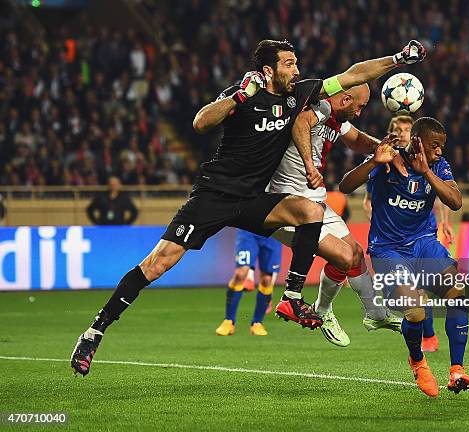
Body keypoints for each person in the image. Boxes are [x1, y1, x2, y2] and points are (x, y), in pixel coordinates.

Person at [70, 38, 427, 376]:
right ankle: (93, 334)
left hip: (253, 199)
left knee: (310, 211)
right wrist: (240, 96)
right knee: (157, 264)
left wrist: (398, 59)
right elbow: (200, 122)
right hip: (214, 195)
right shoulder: (243, 94)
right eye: (289, 64)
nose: (296, 69)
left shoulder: (300, 95)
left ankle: (291, 296)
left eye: (296, 62)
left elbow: (354, 76)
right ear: (269, 70)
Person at [339, 117, 469, 397]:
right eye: (435, 146)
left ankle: (457, 369)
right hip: (388, 249)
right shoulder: (387, 160)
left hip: (424, 244)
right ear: (419, 142)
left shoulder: (438, 166)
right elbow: (345, 186)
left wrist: (426, 172)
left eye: (442, 146)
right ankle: (418, 361)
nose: (439, 151)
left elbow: (456, 202)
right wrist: (373, 162)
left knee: (458, 293)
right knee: (415, 311)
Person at [270, 84, 406, 347]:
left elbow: (358, 140)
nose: (360, 112)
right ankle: (319, 307)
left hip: (314, 199)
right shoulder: (316, 109)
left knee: (354, 253)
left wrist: (388, 152)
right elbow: (300, 122)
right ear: (344, 98)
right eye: (359, 106)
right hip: (285, 204)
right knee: (344, 257)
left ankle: (374, 315)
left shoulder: (335, 119)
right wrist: (310, 166)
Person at [362, 114, 454, 353]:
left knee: (425, 290)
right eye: (398, 129)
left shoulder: (433, 165)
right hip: (390, 242)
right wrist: (379, 220)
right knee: (414, 299)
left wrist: (444, 221)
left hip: (422, 235)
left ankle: (429, 336)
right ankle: (422, 336)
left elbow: (443, 197)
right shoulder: (386, 163)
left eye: (406, 128)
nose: (402, 133)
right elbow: (368, 200)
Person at [216, 229, 282, 336]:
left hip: (273, 234)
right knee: (240, 273)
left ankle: (257, 323)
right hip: (248, 231)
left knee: (267, 279)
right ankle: (228, 321)